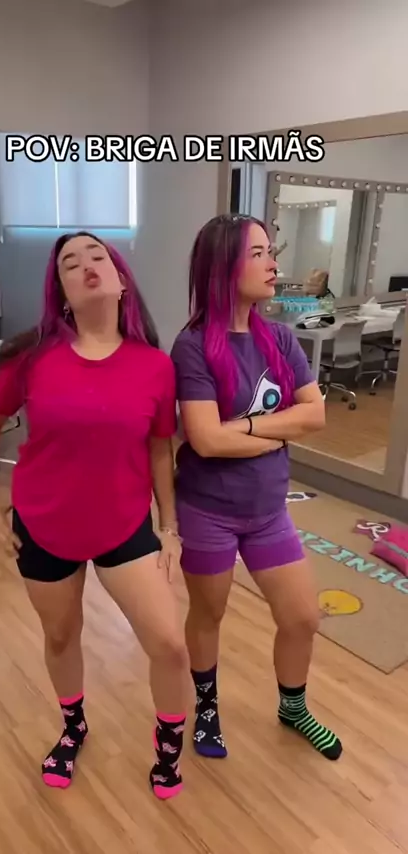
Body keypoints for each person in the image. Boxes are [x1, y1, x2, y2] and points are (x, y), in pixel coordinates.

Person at [0, 231, 189, 800]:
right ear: (62, 292)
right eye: (71, 262)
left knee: (169, 643)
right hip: (44, 523)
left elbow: (159, 450)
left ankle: (168, 745)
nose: (87, 265)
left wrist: (169, 526)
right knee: (62, 634)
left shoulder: (155, 366)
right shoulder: (34, 358)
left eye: (98, 256)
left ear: (121, 282)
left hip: (124, 525)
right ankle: (73, 728)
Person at [170, 214, 343, 763]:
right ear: (223, 266)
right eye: (259, 253)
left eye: (272, 252)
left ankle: (293, 708)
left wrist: (243, 428)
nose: (274, 264)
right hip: (208, 510)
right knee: (209, 615)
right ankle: (207, 707)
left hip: (269, 509)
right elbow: (203, 440)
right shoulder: (192, 345)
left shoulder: (280, 338)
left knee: (302, 617)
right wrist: (276, 431)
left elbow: (315, 415)